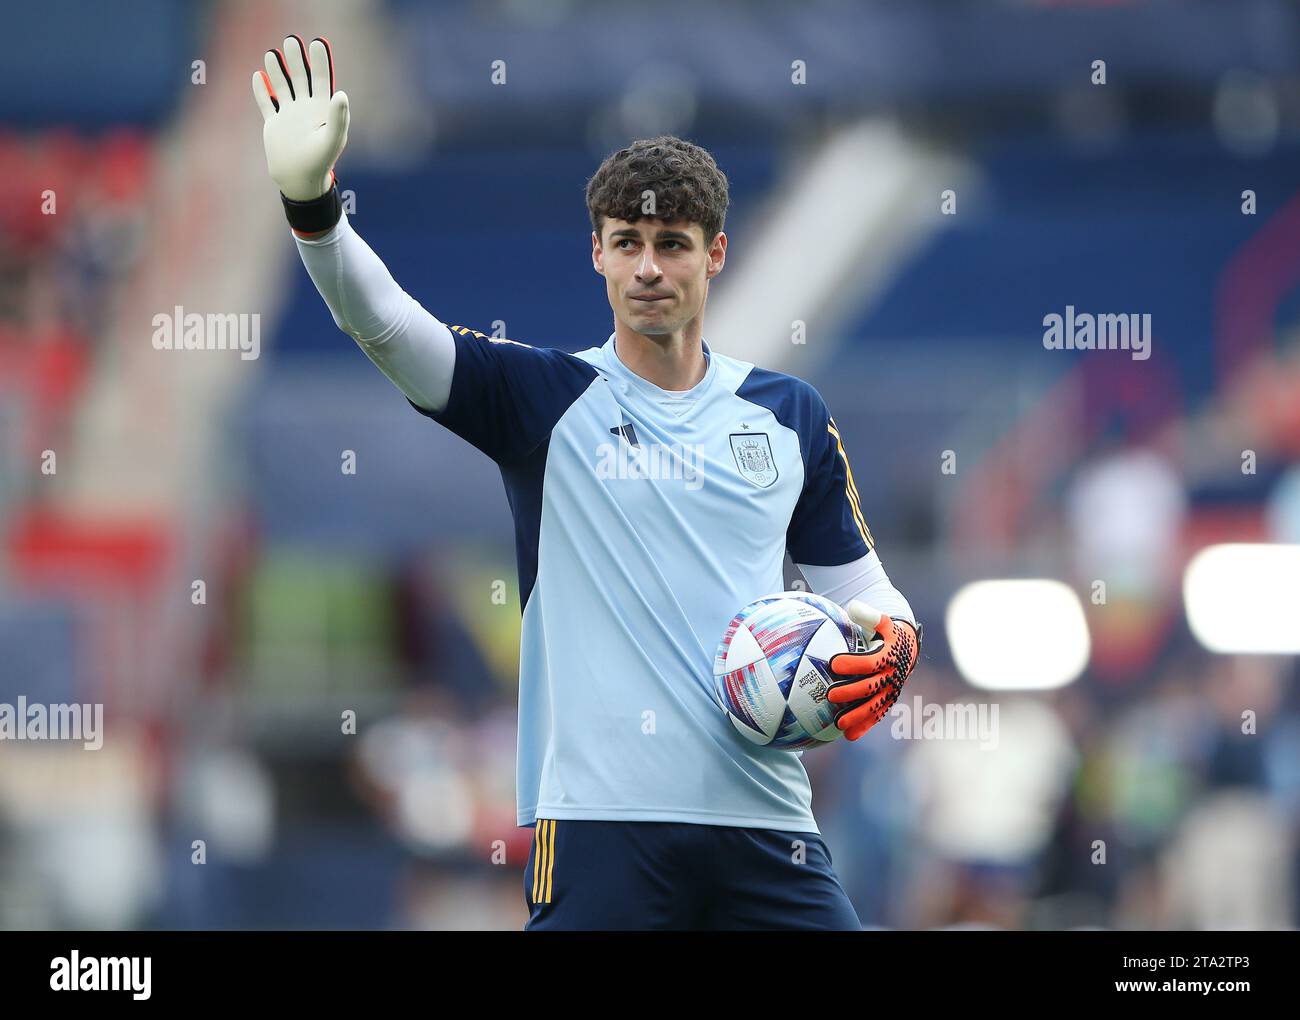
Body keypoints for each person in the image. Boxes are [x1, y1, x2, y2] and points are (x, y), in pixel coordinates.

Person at [252, 34, 921, 930]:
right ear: (597, 254)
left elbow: (864, 591)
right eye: (628, 242)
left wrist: (896, 644)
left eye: (672, 244)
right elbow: (386, 327)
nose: (649, 267)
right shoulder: (542, 400)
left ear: (715, 255)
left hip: (767, 825)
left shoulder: (788, 413)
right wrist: (313, 206)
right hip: (603, 828)